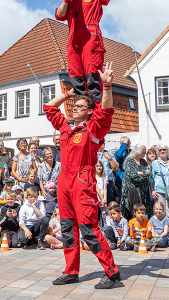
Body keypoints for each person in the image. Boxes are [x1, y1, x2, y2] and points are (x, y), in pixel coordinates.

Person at [44, 61, 121, 290]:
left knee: (89, 229)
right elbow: (49, 107)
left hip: (82, 182)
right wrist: (67, 94)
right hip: (64, 184)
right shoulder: (66, 128)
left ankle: (112, 272)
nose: (74, 108)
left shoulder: (93, 129)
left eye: (79, 106)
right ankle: (71, 271)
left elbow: (105, 111)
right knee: (68, 230)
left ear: (88, 111)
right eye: (73, 105)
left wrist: (106, 88)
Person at [55, 0, 126, 103]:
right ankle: (83, 114)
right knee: (76, 80)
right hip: (74, 42)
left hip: (90, 39)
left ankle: (97, 113)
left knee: (92, 80)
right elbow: (59, 15)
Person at [122, 144, 154, 220]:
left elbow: (150, 175)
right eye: (144, 151)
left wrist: (141, 173)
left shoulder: (143, 162)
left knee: (143, 213)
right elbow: (134, 177)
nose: (145, 153)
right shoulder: (130, 161)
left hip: (144, 192)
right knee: (134, 213)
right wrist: (145, 173)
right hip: (133, 192)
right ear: (138, 152)